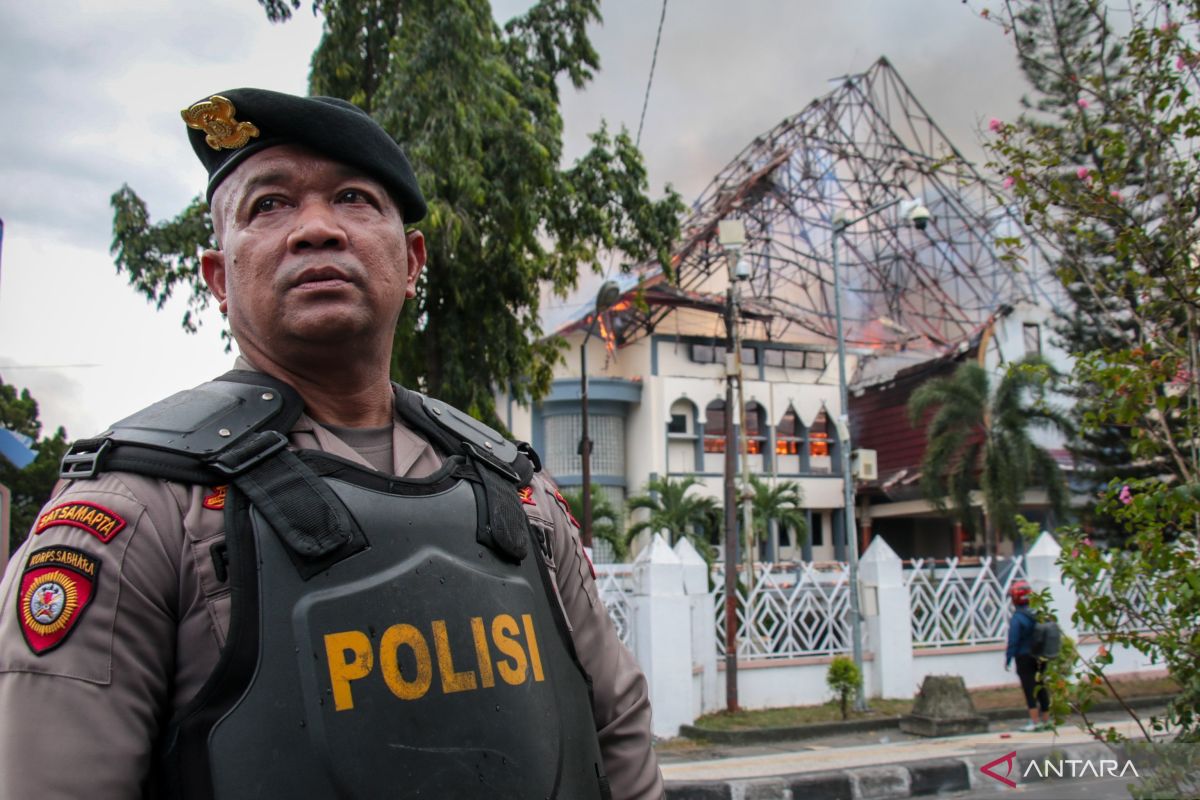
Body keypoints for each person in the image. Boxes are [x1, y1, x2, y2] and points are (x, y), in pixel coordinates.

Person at [0, 88, 662, 799]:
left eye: (352, 198)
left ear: (411, 263)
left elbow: (614, 727)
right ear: (219, 278)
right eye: (269, 205)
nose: (316, 229)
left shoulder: (516, 495)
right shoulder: (135, 510)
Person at [1004, 579, 1049, 732]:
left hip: (1024, 657)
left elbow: (1013, 640)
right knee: (1041, 686)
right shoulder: (1038, 613)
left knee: (1029, 689)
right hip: (1041, 656)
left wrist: (1008, 658)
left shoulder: (1018, 618)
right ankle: (1047, 720)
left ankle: (1035, 721)